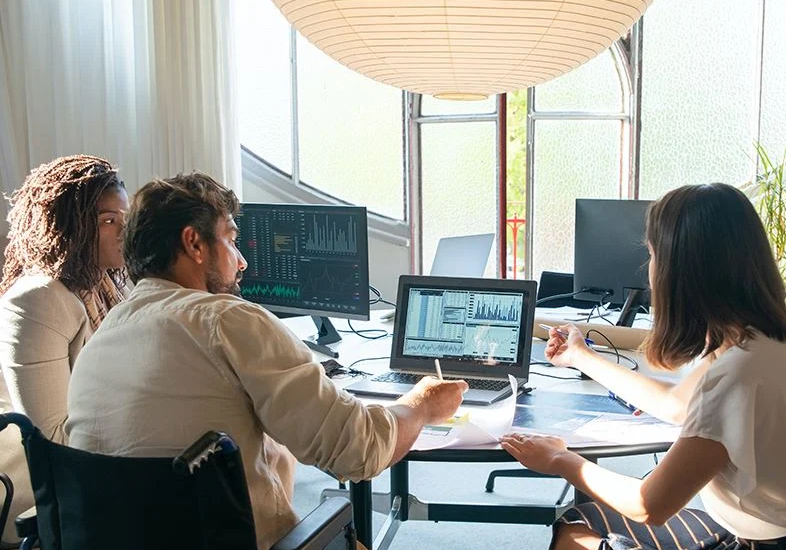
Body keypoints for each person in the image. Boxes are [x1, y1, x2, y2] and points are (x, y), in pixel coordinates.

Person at [65, 172, 467, 550]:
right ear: (195, 244)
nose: (241, 262)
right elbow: (357, 450)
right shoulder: (227, 320)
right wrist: (422, 405)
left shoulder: (104, 333)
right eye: (231, 240)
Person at [501, 183, 786, 550]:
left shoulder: (736, 373)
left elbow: (647, 505)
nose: (649, 270)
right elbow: (674, 405)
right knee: (584, 519)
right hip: (765, 528)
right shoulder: (756, 339)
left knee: (577, 527)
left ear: (681, 271)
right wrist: (582, 356)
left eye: (652, 255)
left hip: (755, 542)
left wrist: (560, 459)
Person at [0, 155, 128, 543]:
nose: (124, 231)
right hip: (39, 481)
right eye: (108, 221)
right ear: (68, 228)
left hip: (98, 455)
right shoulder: (38, 300)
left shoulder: (106, 283)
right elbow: (52, 438)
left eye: (125, 218)